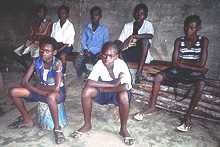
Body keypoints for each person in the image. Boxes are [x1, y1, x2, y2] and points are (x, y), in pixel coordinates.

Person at [134, 15, 209, 131]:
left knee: (201, 84)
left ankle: (188, 115)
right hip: (183, 70)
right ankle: (152, 107)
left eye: (192, 28)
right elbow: (175, 63)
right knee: (158, 76)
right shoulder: (179, 41)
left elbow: (202, 63)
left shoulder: (203, 41)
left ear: (198, 28)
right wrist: (196, 67)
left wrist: (183, 62)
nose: (188, 31)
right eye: (186, 27)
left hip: (191, 72)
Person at [72, 41, 134, 145]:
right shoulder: (100, 64)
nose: (107, 59)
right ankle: (87, 125)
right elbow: (90, 82)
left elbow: (125, 86)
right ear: (101, 54)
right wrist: (113, 85)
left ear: (116, 57)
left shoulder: (121, 64)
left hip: (116, 94)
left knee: (124, 95)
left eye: (111, 56)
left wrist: (106, 89)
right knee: (86, 91)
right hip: (106, 92)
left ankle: (123, 129)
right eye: (104, 55)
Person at [9, 37, 66, 144]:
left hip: (56, 94)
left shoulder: (57, 63)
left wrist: (39, 88)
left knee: (50, 96)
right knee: (13, 91)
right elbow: (24, 81)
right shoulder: (36, 61)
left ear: (54, 52)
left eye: (47, 51)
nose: (43, 53)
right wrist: (38, 89)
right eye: (41, 50)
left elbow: (56, 87)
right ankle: (27, 120)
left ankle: (57, 128)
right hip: (41, 90)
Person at [115, 3, 154, 83]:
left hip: (141, 56)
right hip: (129, 53)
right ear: (133, 14)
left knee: (145, 41)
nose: (139, 16)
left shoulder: (148, 25)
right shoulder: (127, 26)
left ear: (146, 15)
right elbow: (120, 40)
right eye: (137, 13)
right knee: (116, 45)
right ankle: (124, 74)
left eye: (142, 14)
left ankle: (139, 73)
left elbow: (150, 36)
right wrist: (119, 44)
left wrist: (133, 36)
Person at [13, 4, 52, 71]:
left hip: (40, 45)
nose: (38, 14)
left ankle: (34, 71)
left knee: (35, 60)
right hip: (31, 43)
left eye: (41, 12)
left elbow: (46, 38)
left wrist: (35, 40)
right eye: (38, 12)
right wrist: (27, 44)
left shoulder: (49, 24)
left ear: (45, 13)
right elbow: (31, 35)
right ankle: (27, 68)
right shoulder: (34, 23)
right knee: (16, 53)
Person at [73, 6, 109, 78]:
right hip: (87, 51)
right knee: (76, 61)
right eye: (92, 15)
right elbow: (83, 41)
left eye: (96, 15)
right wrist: (85, 50)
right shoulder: (87, 27)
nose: (94, 17)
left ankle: (96, 78)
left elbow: (106, 44)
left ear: (100, 16)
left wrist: (101, 52)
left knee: (99, 64)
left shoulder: (104, 29)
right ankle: (87, 72)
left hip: (98, 52)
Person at [51, 5, 75, 74]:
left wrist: (58, 50)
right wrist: (55, 48)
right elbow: (52, 38)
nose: (61, 14)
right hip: (57, 45)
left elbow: (68, 42)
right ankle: (52, 73)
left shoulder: (70, 25)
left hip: (66, 46)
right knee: (50, 55)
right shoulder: (55, 25)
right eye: (60, 12)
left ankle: (63, 74)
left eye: (63, 13)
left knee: (62, 56)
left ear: (67, 15)